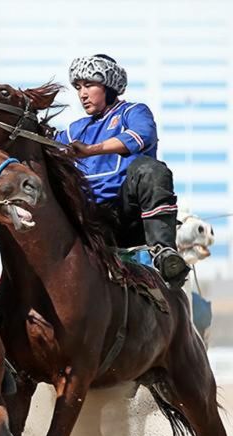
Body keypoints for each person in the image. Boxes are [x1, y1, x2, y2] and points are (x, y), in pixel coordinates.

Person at [56, 54, 189, 287]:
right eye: (78, 87)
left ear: (108, 87)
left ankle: (164, 253)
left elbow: (142, 136)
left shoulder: (133, 112)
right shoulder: (75, 129)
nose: (82, 94)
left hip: (128, 215)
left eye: (89, 85)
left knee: (150, 169)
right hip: (91, 219)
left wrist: (91, 150)